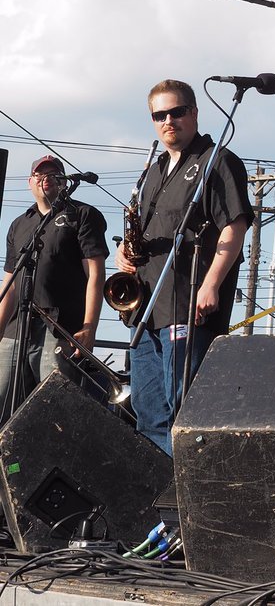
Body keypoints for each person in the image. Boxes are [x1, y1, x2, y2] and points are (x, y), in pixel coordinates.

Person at [114, 80, 251, 455]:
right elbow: (143, 232)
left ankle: (189, 503)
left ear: (193, 112)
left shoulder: (217, 160)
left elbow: (234, 227)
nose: (168, 121)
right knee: (148, 414)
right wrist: (125, 252)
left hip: (186, 304)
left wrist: (210, 286)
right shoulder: (154, 171)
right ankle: (162, 500)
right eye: (159, 115)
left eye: (176, 112)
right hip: (145, 311)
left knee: (183, 411)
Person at [0, 155, 108, 420]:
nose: (45, 179)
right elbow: (9, 284)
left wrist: (89, 327)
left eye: (53, 174)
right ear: (30, 183)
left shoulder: (83, 215)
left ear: (63, 181)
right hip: (16, 329)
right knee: (3, 403)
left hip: (59, 327)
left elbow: (96, 274)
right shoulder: (19, 224)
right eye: (39, 174)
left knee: (55, 411)